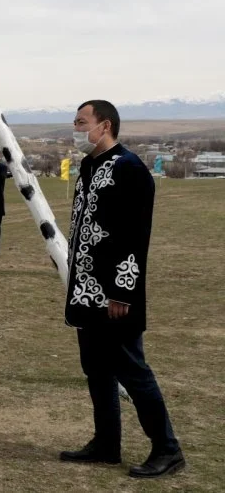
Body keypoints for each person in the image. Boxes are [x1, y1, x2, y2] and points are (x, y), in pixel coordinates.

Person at [59, 100, 184, 478]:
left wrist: (122, 292)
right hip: (84, 291)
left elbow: (134, 236)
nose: (76, 129)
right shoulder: (88, 166)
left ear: (105, 125)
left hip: (115, 295)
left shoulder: (130, 170)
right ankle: (106, 443)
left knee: (132, 370)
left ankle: (168, 449)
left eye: (82, 122)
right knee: (96, 369)